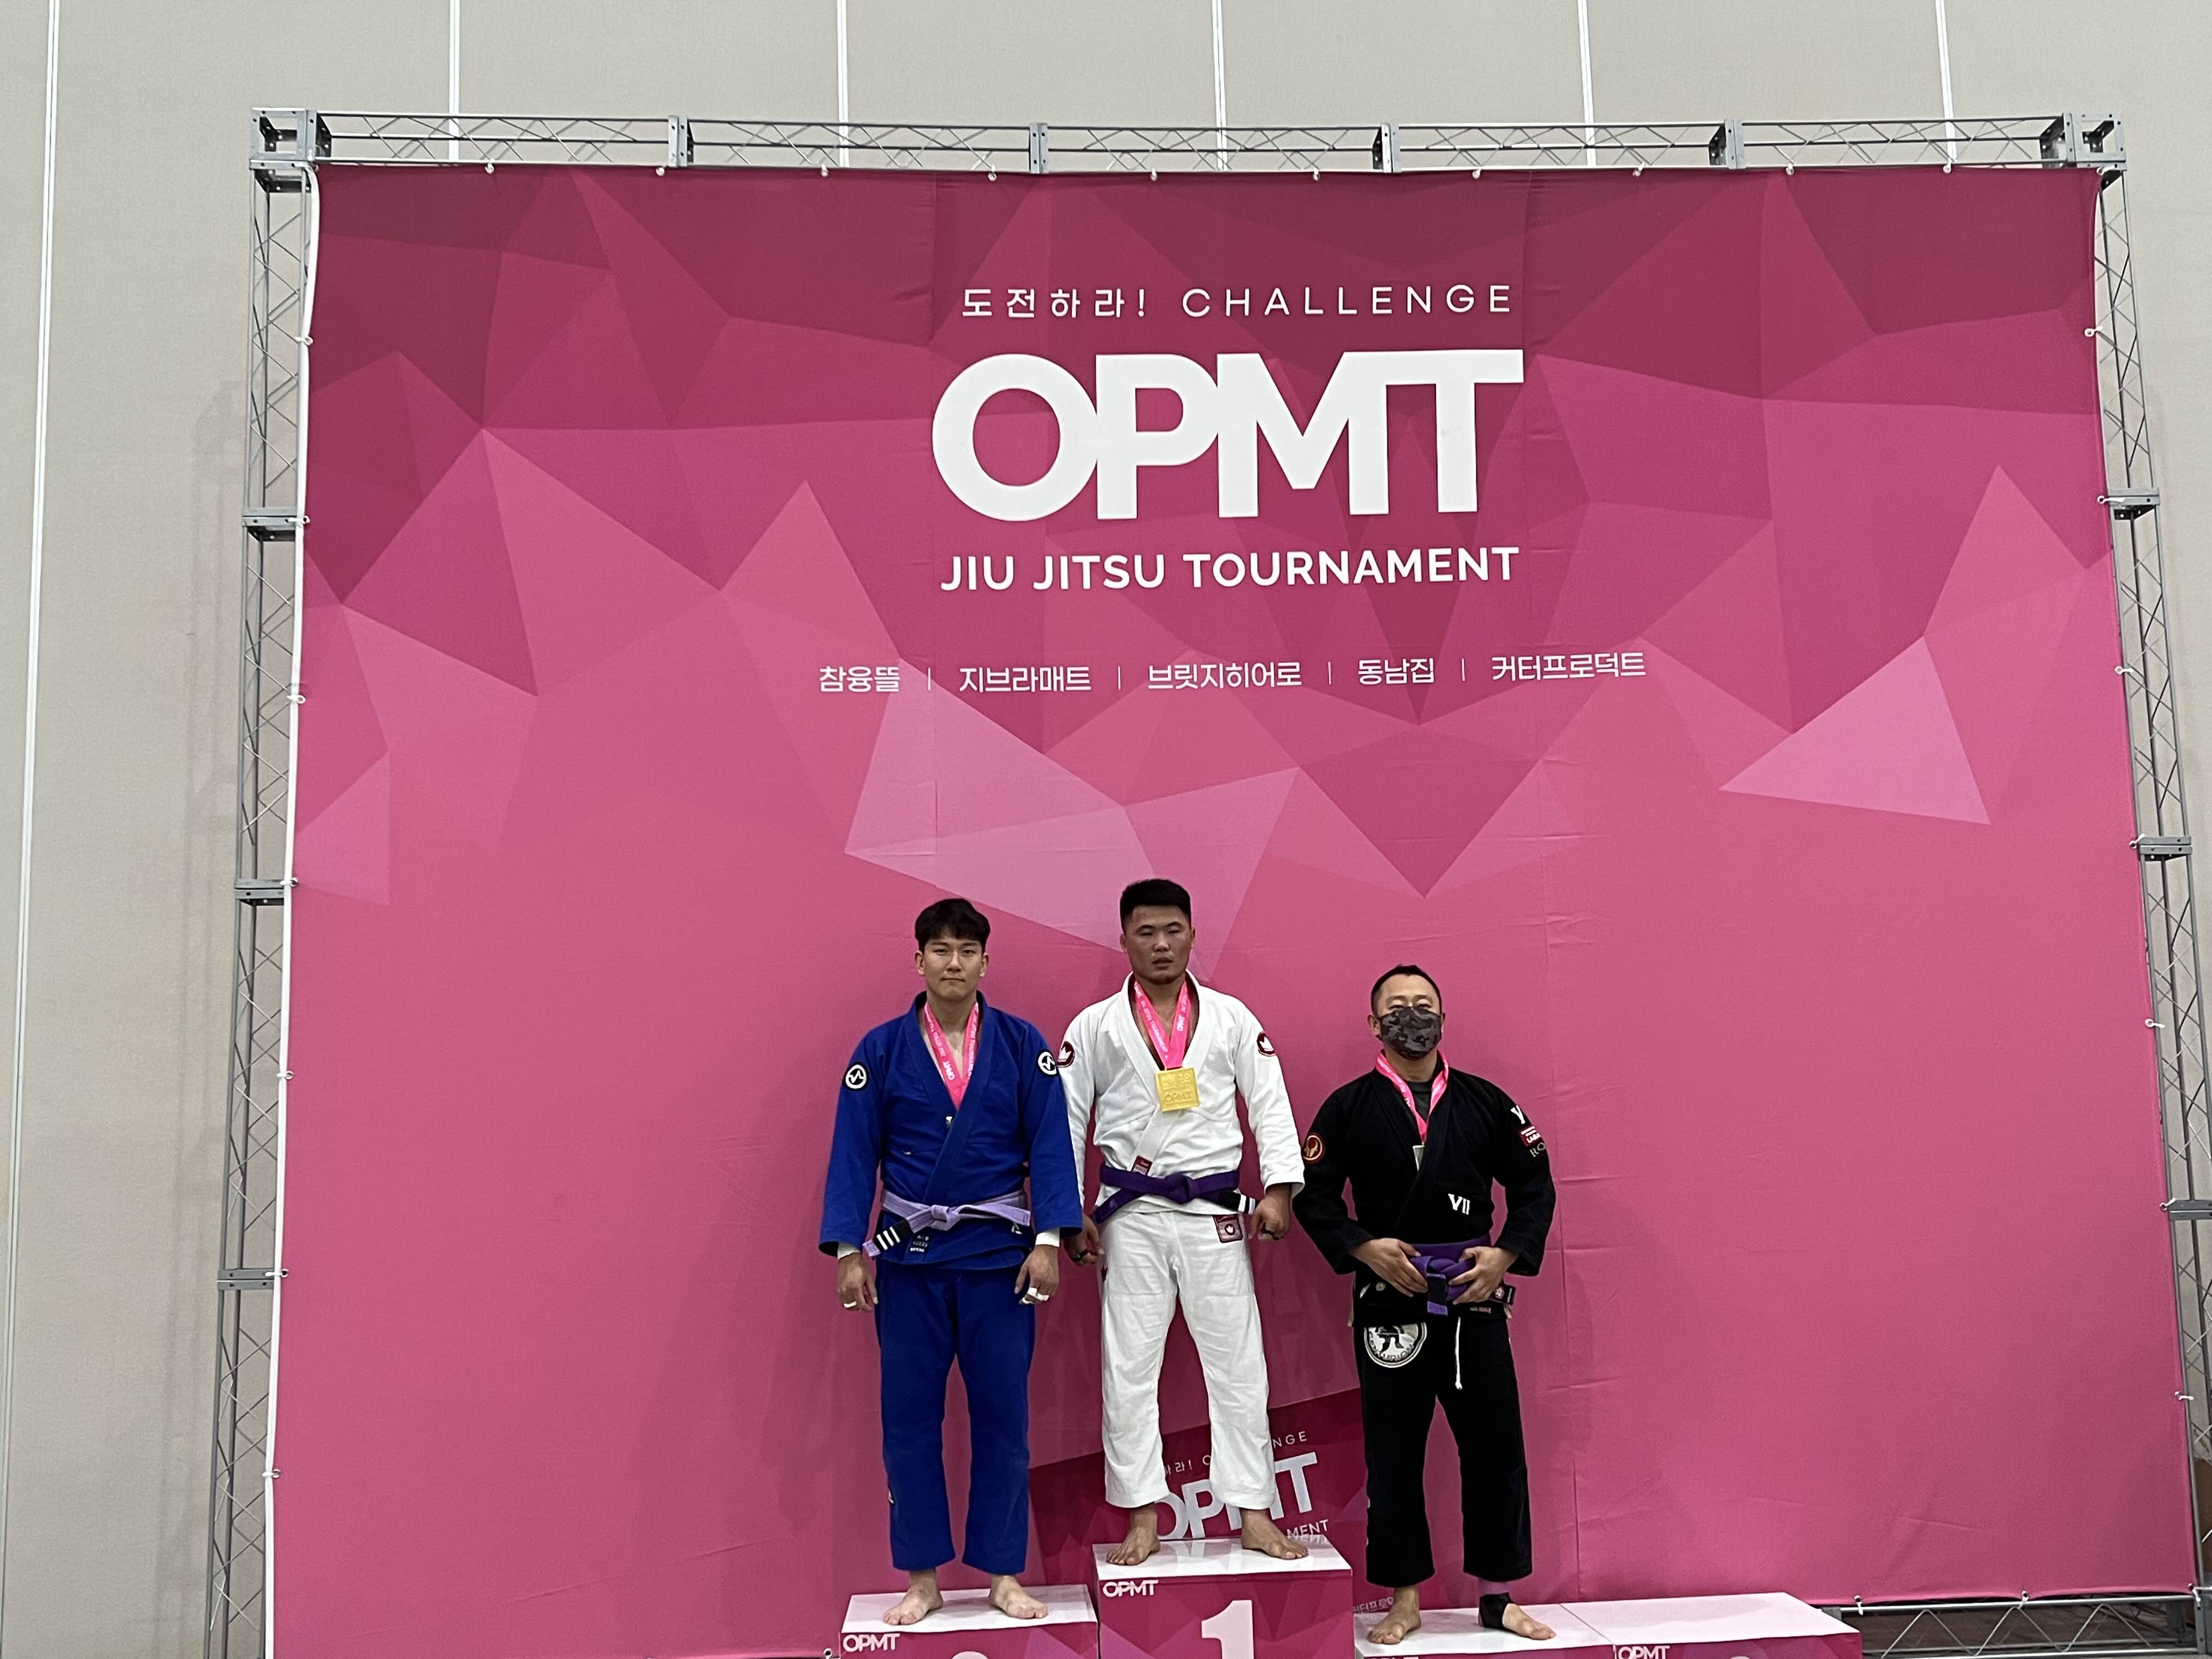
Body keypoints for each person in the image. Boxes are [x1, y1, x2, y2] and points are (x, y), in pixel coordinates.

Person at [819, 898, 1084, 1625]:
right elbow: (854, 1154)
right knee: (908, 1421)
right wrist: (849, 1250)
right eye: (940, 950)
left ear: (985, 963)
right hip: (909, 1264)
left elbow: (1051, 1146)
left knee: (1005, 1419)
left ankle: (1003, 1573)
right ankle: (922, 1577)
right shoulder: (880, 1050)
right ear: (918, 961)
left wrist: (1049, 1243)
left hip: (1000, 1262)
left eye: (967, 951)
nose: (954, 963)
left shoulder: (1021, 1044)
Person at [1293, 966, 1557, 1645]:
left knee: (1496, 1449)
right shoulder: (1347, 1108)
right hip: (1390, 1302)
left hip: (1473, 1298)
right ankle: (1404, 1597)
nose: (1412, 1016)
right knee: (1394, 1454)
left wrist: (1505, 1255)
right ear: (1374, 1024)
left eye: (1424, 1005)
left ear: (1443, 1018)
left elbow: (1535, 1185)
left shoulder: (1487, 1103)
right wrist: (1363, 1247)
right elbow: (1312, 1196)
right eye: (1397, 1007)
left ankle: (1498, 1596)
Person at [1059, 878, 1307, 1566]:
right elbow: (1067, 1121)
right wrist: (1067, 1212)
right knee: (1129, 1367)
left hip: (1214, 1213)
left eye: (1173, 931)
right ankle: (1142, 1513)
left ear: (1193, 935)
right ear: (1124, 941)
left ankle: (1253, 1510)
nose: (1162, 945)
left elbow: (1270, 1103)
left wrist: (1279, 1190)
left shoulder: (1231, 1018)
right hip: (1130, 1215)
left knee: (1238, 1365)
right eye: (1147, 932)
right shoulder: (1094, 1027)